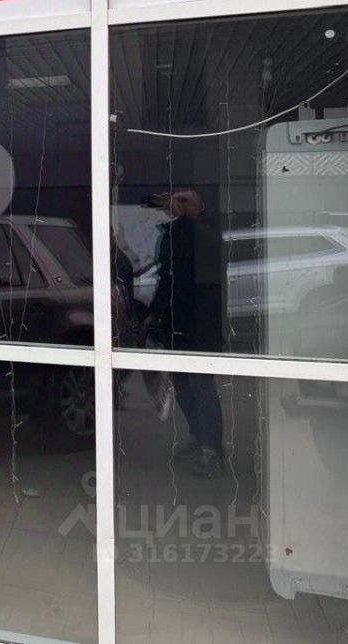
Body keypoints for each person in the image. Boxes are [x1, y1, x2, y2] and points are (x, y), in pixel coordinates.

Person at [144, 189, 224, 478]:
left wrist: (187, 218)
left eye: (185, 201)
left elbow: (192, 269)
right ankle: (200, 436)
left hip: (200, 323)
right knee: (182, 385)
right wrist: (156, 313)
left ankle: (211, 448)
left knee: (201, 385)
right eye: (177, 200)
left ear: (199, 205)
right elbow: (168, 277)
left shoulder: (205, 231)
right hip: (178, 321)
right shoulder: (178, 232)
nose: (178, 205)